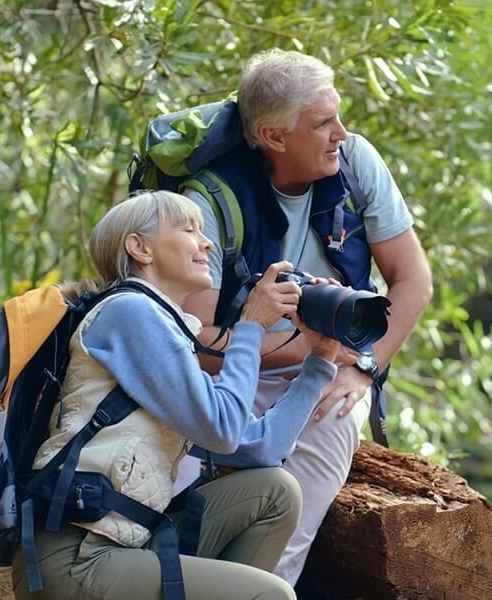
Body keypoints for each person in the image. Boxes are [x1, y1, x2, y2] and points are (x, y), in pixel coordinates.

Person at [11, 190, 342, 600]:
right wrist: (251, 326)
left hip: (128, 543)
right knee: (271, 595)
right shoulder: (129, 312)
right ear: (140, 248)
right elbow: (220, 428)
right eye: (189, 229)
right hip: (77, 558)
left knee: (275, 491)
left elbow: (259, 448)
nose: (206, 242)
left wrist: (321, 360)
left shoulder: (166, 328)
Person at [182, 49, 434, 585]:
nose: (340, 133)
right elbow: (194, 342)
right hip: (231, 371)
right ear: (275, 136)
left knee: (330, 434)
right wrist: (300, 347)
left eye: (337, 117)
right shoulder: (211, 202)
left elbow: (413, 281)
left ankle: (265, 590)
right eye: (323, 123)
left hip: (327, 374)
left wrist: (362, 367)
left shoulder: (356, 163)